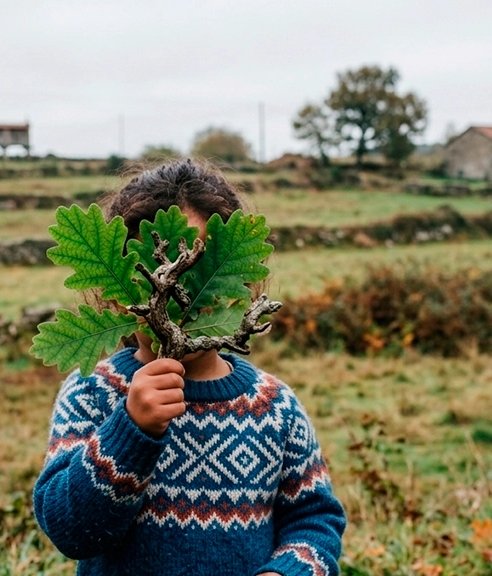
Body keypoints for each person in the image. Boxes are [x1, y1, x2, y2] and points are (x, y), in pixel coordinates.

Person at [33, 159, 346, 576]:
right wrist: (131, 430)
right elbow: (71, 532)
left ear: (238, 284)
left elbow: (314, 521)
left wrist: (287, 572)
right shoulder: (93, 393)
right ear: (114, 292)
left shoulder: (274, 407)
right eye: (153, 274)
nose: (175, 295)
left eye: (195, 272)